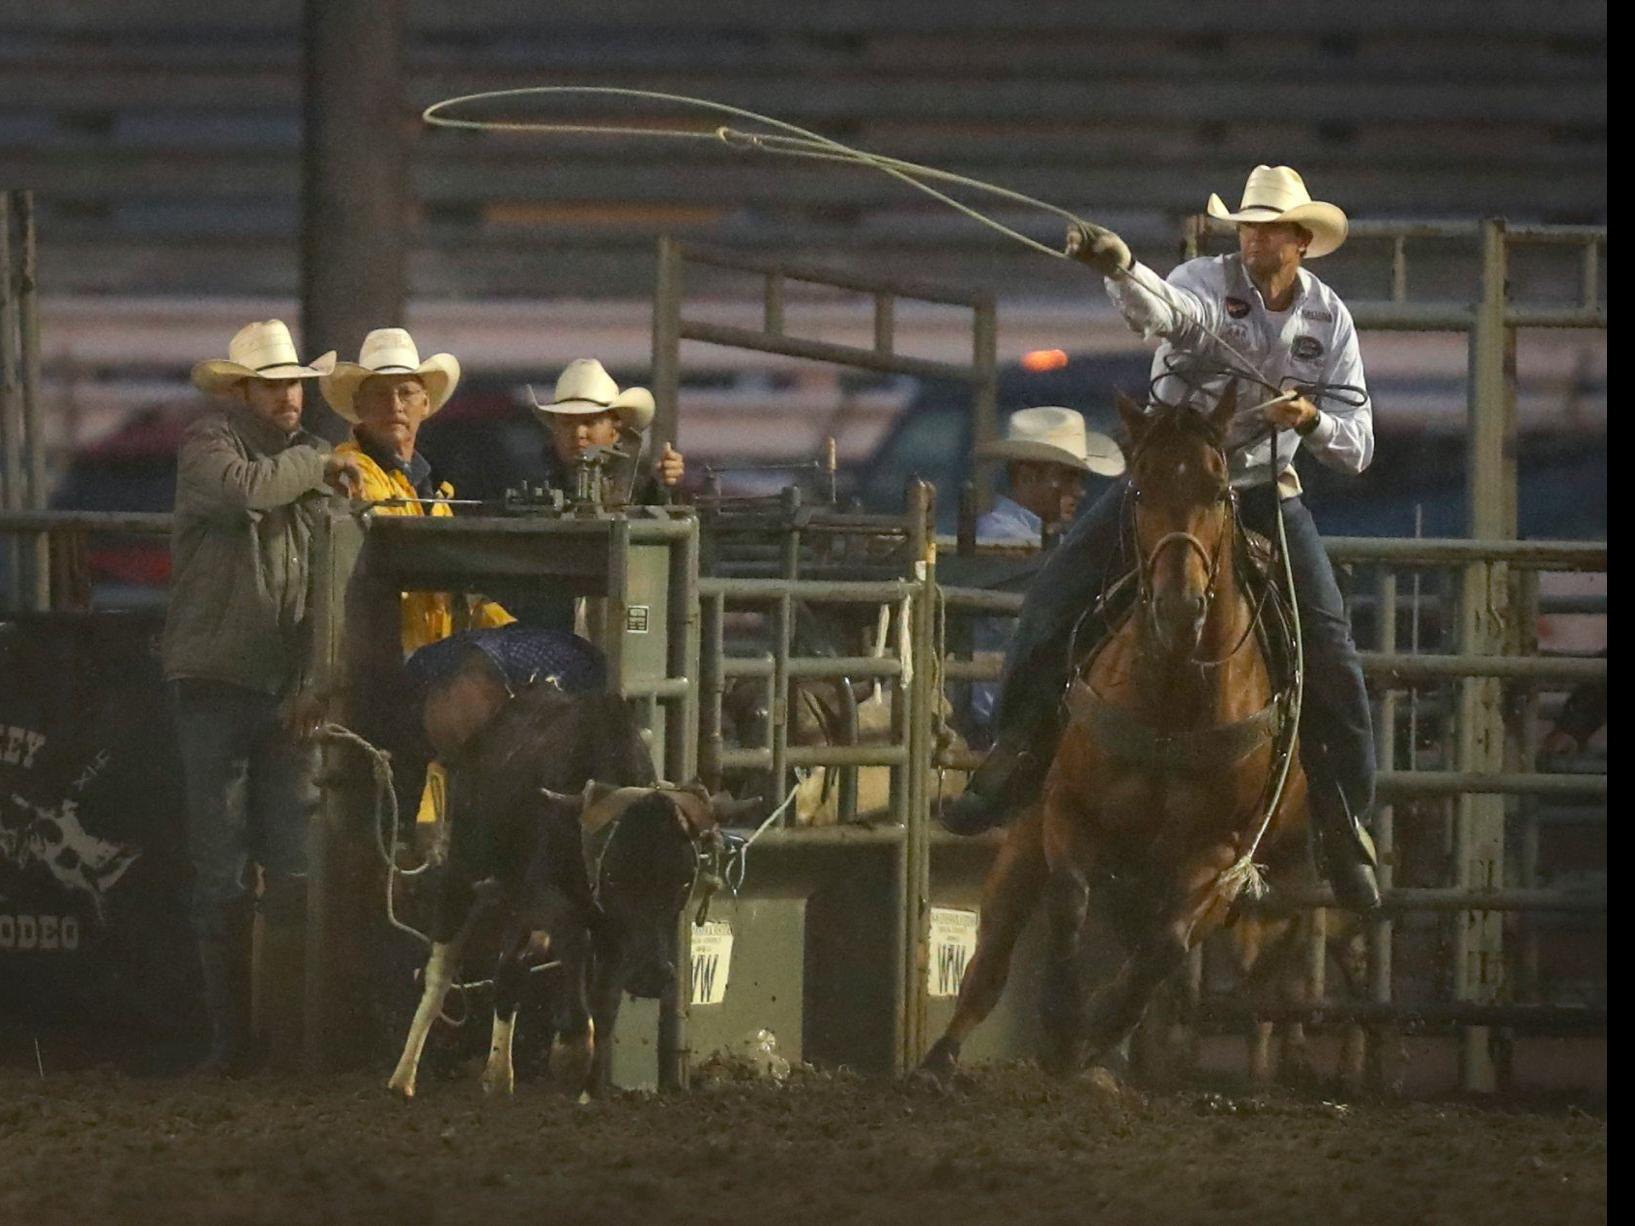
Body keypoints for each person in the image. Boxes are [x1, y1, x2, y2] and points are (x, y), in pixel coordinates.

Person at [945, 165, 1382, 913]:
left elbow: (1357, 445)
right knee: (1052, 597)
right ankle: (1012, 757)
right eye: (1246, 224)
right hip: (1168, 481)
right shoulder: (1206, 283)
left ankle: (1343, 818)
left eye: (1268, 227)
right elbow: (1164, 313)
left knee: (1329, 645)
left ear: (1300, 241)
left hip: (1262, 491)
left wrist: (1310, 422)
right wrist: (1121, 269)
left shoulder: (1327, 320)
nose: (1252, 237)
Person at [163, 319, 362, 1072]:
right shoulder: (212, 446)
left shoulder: (297, 469)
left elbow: (323, 589)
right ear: (243, 391)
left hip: (267, 689)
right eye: (276, 385)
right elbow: (243, 493)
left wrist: (315, 680)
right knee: (227, 867)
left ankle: (269, 1039)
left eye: (294, 386)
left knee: (285, 864)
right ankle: (241, 1042)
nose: (288, 396)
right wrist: (318, 460)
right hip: (222, 684)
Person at [320, 328, 516, 829]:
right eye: (380, 394)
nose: (395, 405)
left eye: (406, 392)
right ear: (358, 408)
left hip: (424, 667)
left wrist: (503, 629)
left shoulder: (430, 487)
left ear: (425, 403)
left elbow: (453, 588)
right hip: (379, 672)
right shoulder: (354, 474)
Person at [965, 407, 1124, 740]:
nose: (1078, 491)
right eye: (1066, 477)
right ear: (1026, 476)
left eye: (1078, 478)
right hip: (1006, 717)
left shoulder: (1051, 541)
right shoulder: (1003, 538)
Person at [509, 359, 687, 632]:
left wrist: (665, 487)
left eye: (590, 422)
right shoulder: (530, 488)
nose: (579, 434)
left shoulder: (642, 488)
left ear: (615, 430)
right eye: (567, 423)